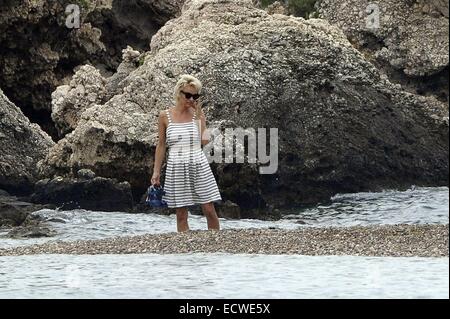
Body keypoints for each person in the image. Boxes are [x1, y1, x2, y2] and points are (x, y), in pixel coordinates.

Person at [151, 74, 222, 232]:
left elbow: (204, 141)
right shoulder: (164, 116)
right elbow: (161, 144)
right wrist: (156, 172)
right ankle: (185, 249)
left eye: (195, 96)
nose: (191, 99)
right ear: (179, 93)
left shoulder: (198, 114)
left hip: (198, 163)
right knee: (181, 214)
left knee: (209, 208)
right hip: (176, 166)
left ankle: (216, 242)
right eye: (188, 95)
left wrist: (199, 118)